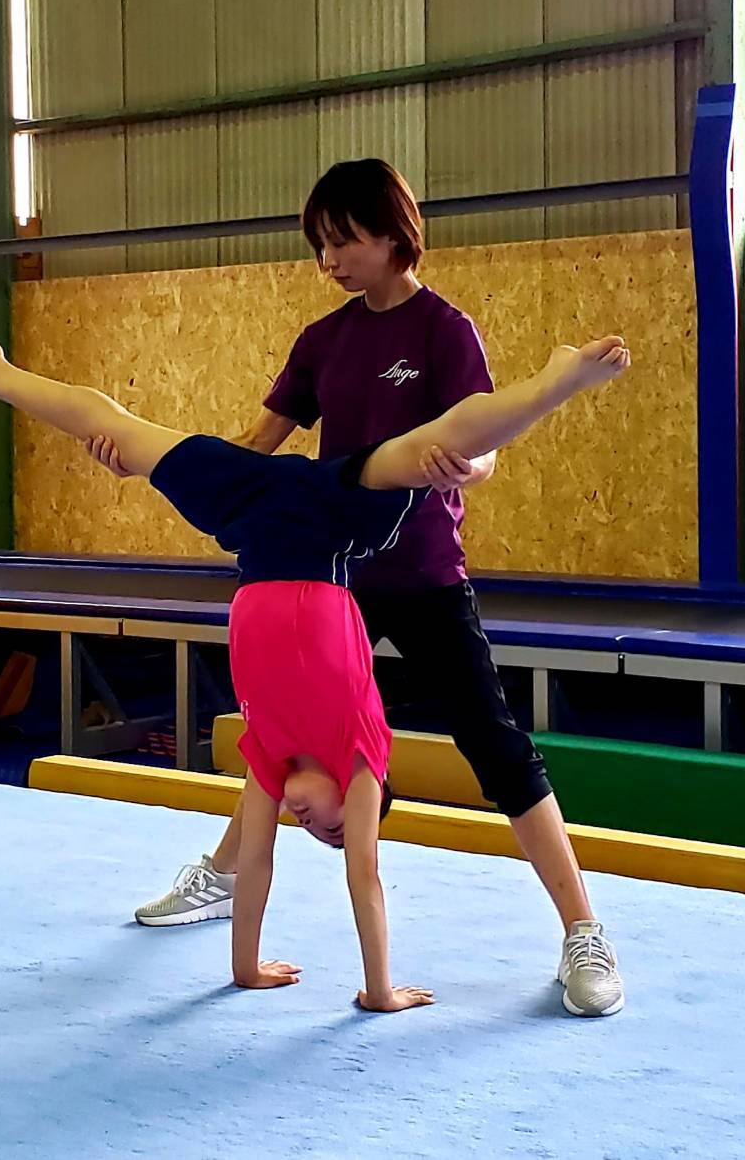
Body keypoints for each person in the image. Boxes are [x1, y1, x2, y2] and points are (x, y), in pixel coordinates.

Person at [0, 326, 629, 1012]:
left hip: (255, 516)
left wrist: (245, 970)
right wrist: (380, 989)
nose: (310, 823)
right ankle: (554, 382)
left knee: (115, 427)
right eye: (335, 829)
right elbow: (365, 878)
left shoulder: (268, 761)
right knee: (428, 449)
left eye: (314, 833)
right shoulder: (361, 758)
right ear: (360, 802)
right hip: (333, 518)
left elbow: (256, 863)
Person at [107, 159, 627, 1018]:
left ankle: (582, 929)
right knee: (278, 738)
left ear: (393, 234)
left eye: (343, 241)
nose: (329, 260)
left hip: (421, 572)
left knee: (495, 745)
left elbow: (484, 439)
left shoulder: (443, 330)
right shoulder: (322, 340)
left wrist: (471, 465)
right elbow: (254, 446)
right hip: (328, 580)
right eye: (320, 245)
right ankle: (223, 876)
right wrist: (151, 465)